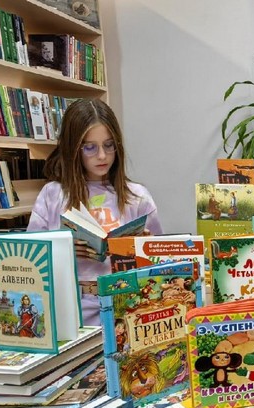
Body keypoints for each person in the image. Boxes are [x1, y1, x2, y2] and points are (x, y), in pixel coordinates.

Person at [27, 99, 162, 326]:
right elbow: (30, 260)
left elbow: (160, 263)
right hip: (68, 310)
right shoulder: (53, 195)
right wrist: (62, 249)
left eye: (109, 145)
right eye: (90, 147)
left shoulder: (137, 196)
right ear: (72, 149)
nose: (102, 156)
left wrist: (144, 249)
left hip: (126, 308)